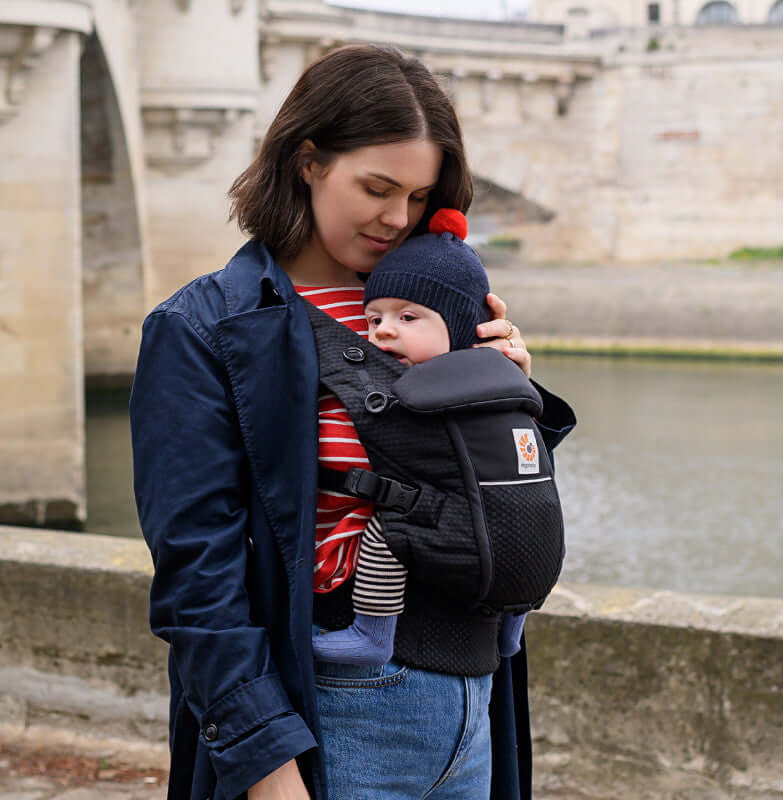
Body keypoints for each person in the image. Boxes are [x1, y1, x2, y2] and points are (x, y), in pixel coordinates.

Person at [130, 44, 576, 800]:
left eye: (419, 196)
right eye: (377, 188)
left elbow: (495, 503)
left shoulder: (435, 305)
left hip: (474, 701)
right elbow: (198, 575)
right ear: (307, 161)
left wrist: (510, 400)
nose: (397, 219)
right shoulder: (200, 328)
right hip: (329, 712)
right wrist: (267, 765)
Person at [310, 208, 533, 667]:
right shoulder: (493, 378)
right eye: (372, 320)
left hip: (461, 524)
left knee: (391, 533)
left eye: (408, 317)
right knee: (523, 528)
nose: (384, 330)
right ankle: (508, 629)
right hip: (486, 521)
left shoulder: (441, 382)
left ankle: (375, 632)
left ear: (462, 328)